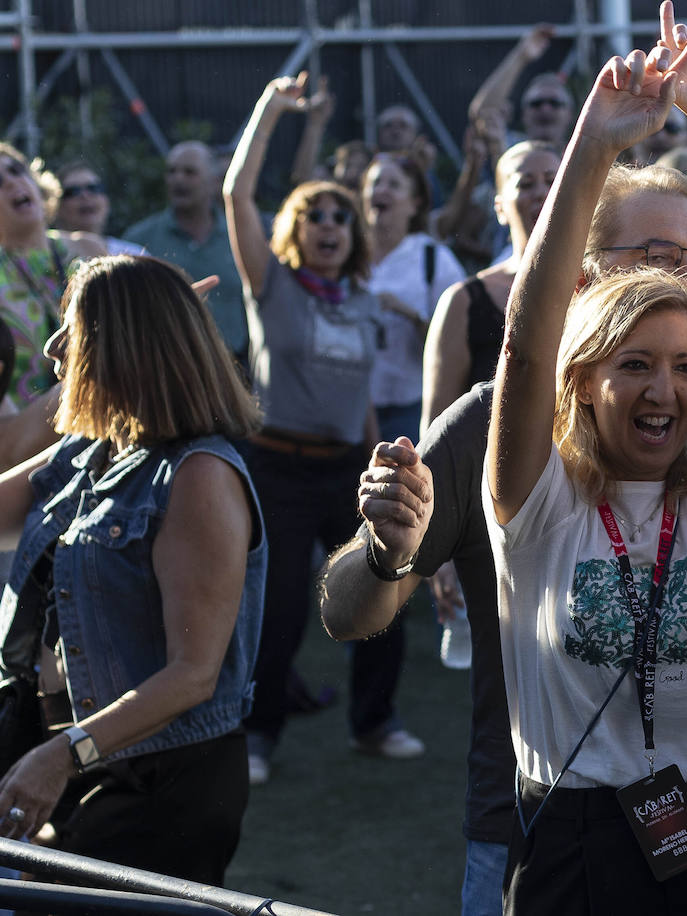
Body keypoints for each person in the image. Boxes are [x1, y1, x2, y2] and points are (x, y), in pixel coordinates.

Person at [343, 8, 687, 910]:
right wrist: (591, 146)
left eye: (685, 366)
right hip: (582, 829)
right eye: (634, 365)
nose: (664, 389)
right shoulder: (528, 475)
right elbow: (526, 347)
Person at [0, 255, 264, 884]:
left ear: (123, 347)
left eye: (76, 327)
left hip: (153, 782)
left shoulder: (199, 475)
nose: (54, 344)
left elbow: (192, 676)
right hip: (62, 753)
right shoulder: (95, 447)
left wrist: (64, 755)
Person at [225, 72, 416, 785]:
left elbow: (359, 393)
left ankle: (375, 722)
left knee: (381, 589)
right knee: (275, 614)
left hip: (346, 467)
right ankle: (256, 738)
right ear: (295, 230)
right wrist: (269, 110)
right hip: (275, 468)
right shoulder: (271, 287)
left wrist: (374, 461)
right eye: (317, 216)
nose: (332, 225)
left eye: (342, 216)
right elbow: (235, 195)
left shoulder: (362, 301)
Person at [423, 140, 559, 429]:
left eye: (553, 180)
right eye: (525, 184)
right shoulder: (463, 300)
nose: (542, 193)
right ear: (499, 207)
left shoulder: (599, 288)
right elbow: (436, 427)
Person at [0, 143, 104, 471]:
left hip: (102, 445)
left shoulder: (87, 247)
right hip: (26, 462)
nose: (13, 184)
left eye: (16, 172)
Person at [363, 152, 466, 443]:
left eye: (394, 185)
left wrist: (409, 314)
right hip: (351, 409)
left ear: (415, 203)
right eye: (375, 183)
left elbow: (456, 344)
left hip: (410, 407)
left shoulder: (434, 258)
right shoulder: (346, 254)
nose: (381, 190)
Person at [125, 141, 248, 365]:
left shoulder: (239, 235)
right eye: (171, 171)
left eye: (189, 172)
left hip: (237, 367)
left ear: (214, 182)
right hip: (167, 367)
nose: (178, 179)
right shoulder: (139, 241)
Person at [44, 162, 144, 256]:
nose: (85, 195)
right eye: (73, 192)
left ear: (106, 201)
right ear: (55, 205)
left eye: (93, 188)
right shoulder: (47, 257)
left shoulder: (134, 254)